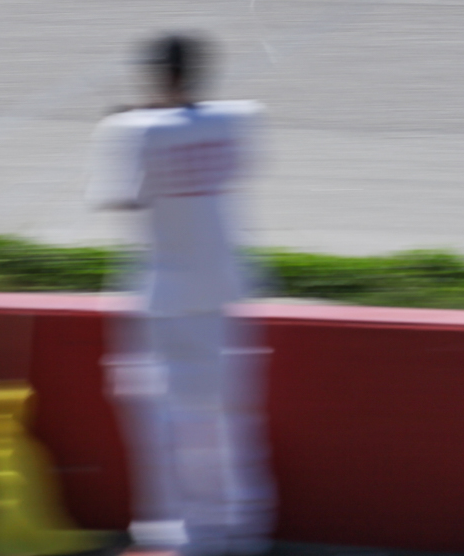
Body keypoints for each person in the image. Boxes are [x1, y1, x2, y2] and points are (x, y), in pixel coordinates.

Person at [90, 34, 274, 556]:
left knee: (164, 423)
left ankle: (181, 538)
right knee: (231, 417)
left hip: (164, 299)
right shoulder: (238, 119)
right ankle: (243, 530)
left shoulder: (131, 130)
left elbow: (117, 197)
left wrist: (127, 118)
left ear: (159, 76)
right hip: (223, 289)